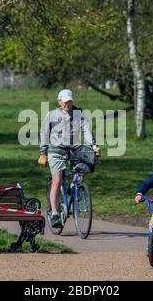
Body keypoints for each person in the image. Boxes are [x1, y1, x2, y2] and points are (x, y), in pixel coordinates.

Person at [38, 89, 101, 228]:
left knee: (87, 162)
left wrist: (94, 146)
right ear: (59, 102)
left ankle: (74, 185)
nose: (68, 104)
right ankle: (54, 214)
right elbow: (44, 134)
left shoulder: (79, 114)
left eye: (70, 101)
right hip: (56, 150)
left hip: (75, 149)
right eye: (65, 102)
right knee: (58, 180)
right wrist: (43, 153)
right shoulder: (51, 115)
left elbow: (87, 131)